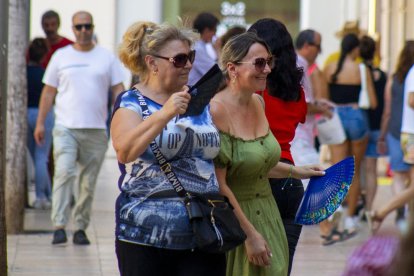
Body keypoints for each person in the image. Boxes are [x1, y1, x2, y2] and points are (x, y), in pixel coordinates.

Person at [112, 21, 226, 276]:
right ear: (152, 63)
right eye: (180, 59)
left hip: (203, 231)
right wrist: (165, 113)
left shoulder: (200, 101)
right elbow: (125, 150)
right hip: (144, 236)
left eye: (191, 57)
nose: (188, 65)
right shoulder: (132, 102)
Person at [210, 31, 325, 276]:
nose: (268, 69)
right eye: (259, 63)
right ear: (232, 69)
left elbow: (258, 163)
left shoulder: (258, 102)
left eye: (269, 61)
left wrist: (298, 171)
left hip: (269, 213)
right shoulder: (216, 110)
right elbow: (219, 184)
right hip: (237, 220)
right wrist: (249, 235)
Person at [34, 11, 125, 245]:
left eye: (87, 26)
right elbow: (48, 92)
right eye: (79, 27)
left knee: (88, 181)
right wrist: (41, 122)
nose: (83, 30)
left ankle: (81, 227)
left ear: (92, 27)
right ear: (72, 29)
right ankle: (59, 225)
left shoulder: (106, 58)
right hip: (66, 127)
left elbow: (118, 90)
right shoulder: (61, 57)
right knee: (64, 172)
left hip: (95, 129)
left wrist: (123, 119)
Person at [247, 18, 307, 274]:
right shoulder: (297, 91)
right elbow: (300, 117)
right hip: (290, 179)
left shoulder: (253, 92)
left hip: (259, 178)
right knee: (282, 268)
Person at [323, 33, 377, 238]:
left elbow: (325, 100)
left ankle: (335, 209)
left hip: (335, 117)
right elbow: (372, 102)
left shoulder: (330, 68)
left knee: (337, 170)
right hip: (356, 118)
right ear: (356, 49)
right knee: (354, 170)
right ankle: (351, 217)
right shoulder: (361, 69)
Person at [291, 29, 340, 246]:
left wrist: (319, 105)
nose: (319, 52)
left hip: (299, 135)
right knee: (319, 177)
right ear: (307, 45)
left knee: (310, 179)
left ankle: (324, 227)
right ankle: (325, 229)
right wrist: (321, 108)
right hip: (298, 136)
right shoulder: (299, 65)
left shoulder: (298, 64)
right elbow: (302, 106)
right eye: (318, 47)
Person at [369, 45, 414, 233]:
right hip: (409, 133)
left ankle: (399, 214)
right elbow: (411, 101)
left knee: (402, 177)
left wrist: (383, 134)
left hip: (398, 131)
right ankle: (386, 211)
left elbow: (388, 111)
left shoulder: (394, 79)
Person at [359, 35, 387, 219]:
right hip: (376, 125)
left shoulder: (357, 72)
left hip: (360, 123)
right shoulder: (382, 75)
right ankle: (368, 208)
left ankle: (357, 203)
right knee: (371, 169)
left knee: (358, 167)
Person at [26, 38, 53, 210]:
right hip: (44, 115)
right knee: (42, 157)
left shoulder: (22, 73)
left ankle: (48, 194)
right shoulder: (45, 74)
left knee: (36, 157)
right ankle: (41, 196)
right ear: (44, 54)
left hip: (25, 114)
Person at [188, 12, 220, 85]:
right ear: (206, 30)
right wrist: (218, 50)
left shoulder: (198, 45)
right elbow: (216, 73)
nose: (215, 34)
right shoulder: (198, 48)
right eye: (214, 30)